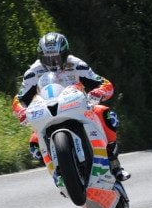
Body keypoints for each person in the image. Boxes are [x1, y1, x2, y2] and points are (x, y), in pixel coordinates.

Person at [12, 32, 131, 182]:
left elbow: (105, 84)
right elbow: (19, 98)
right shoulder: (32, 73)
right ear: (40, 56)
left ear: (65, 54)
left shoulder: (77, 65)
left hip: (78, 107)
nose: (52, 63)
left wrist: (98, 92)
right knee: (34, 144)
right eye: (47, 59)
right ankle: (58, 172)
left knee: (106, 115)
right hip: (48, 110)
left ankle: (114, 164)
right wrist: (21, 111)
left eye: (56, 58)